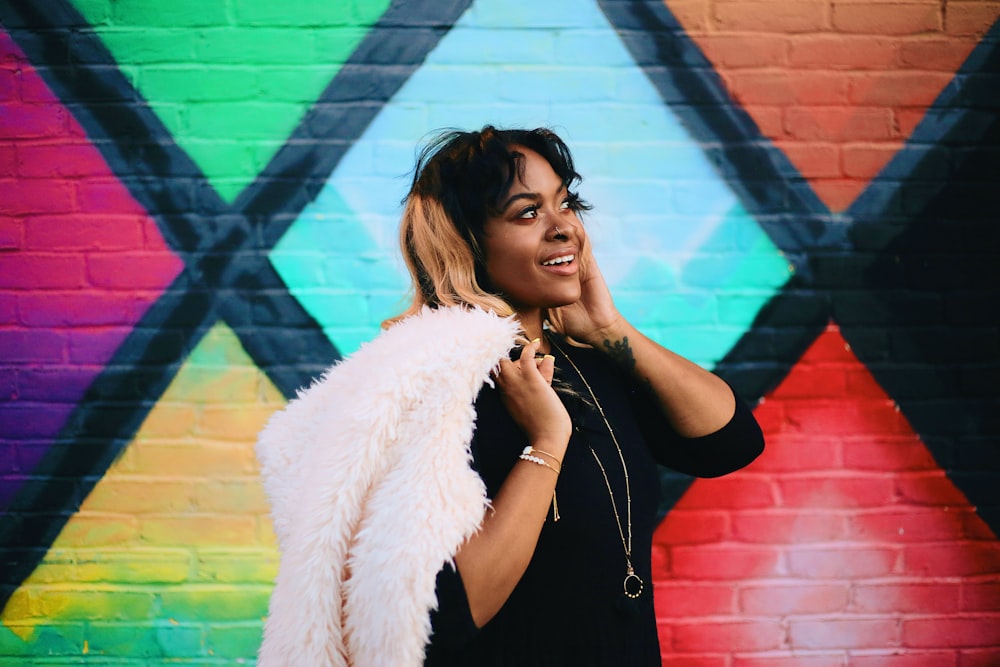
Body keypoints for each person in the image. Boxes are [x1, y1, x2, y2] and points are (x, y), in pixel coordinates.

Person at [255, 126, 765, 667]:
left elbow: (729, 445)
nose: (563, 227)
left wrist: (610, 328)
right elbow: (441, 616)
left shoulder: (592, 367)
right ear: (468, 243)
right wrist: (547, 441)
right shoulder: (435, 391)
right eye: (527, 213)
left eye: (566, 203)